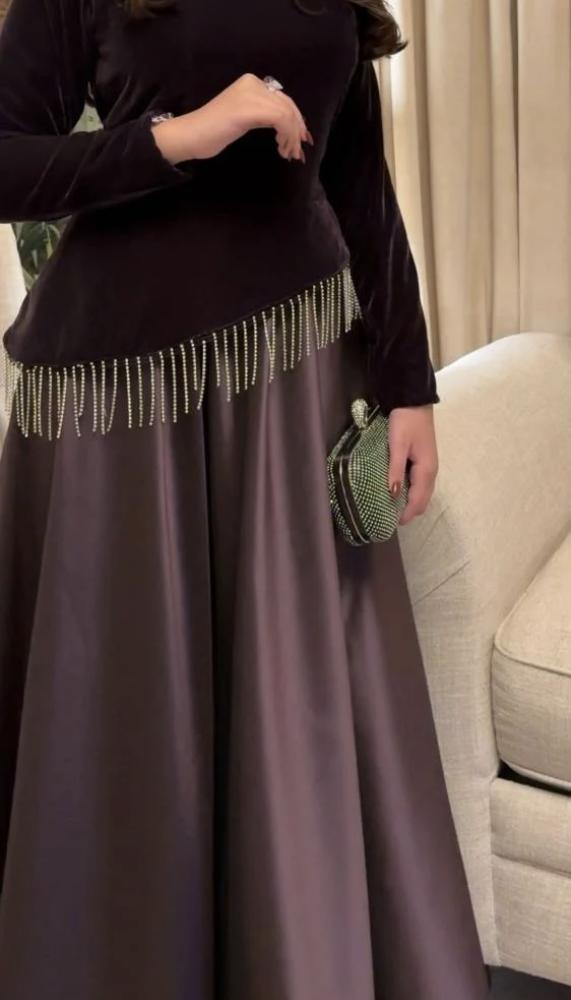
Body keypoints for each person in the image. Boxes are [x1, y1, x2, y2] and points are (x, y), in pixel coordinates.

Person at [0, 0, 490, 996]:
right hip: (124, 407)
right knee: (135, 714)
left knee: (294, 707)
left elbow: (358, 177)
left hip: (293, 386)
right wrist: (180, 137)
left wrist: (409, 383)